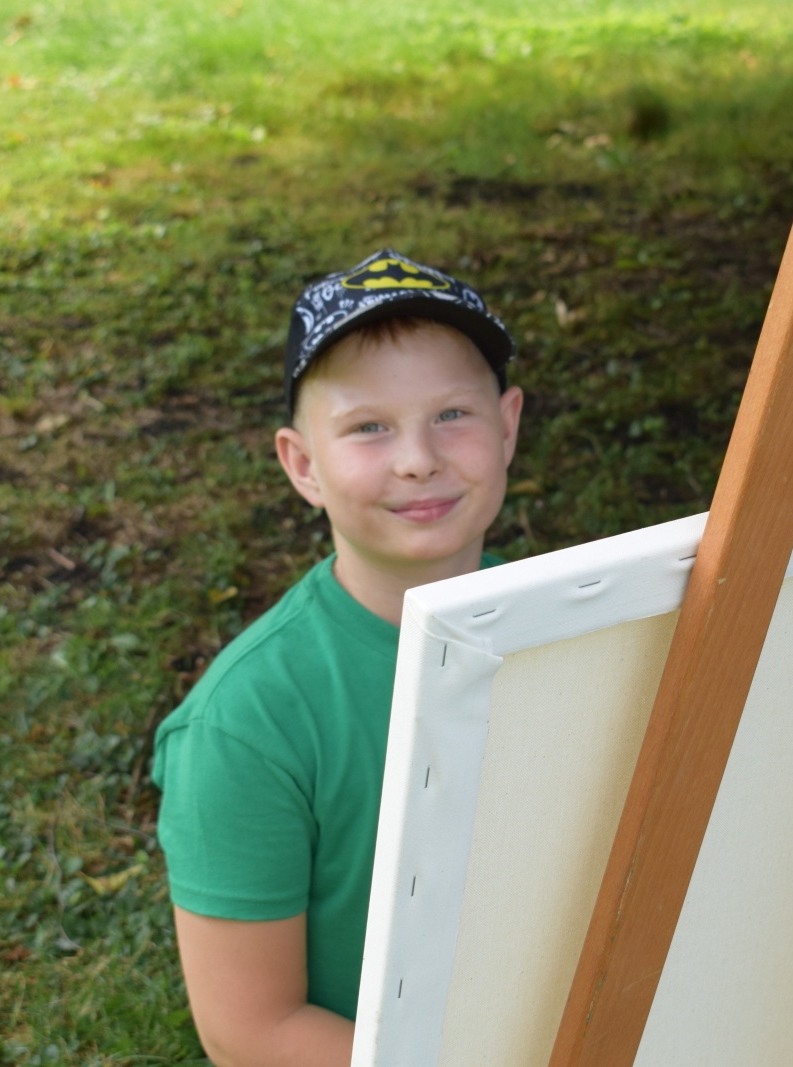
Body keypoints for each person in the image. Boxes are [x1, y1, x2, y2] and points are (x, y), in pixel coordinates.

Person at [151, 249, 524, 1067]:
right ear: (303, 464)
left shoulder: (563, 626)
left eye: (453, 414)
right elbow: (251, 1029)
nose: (418, 457)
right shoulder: (245, 725)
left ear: (508, 426)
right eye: (369, 428)